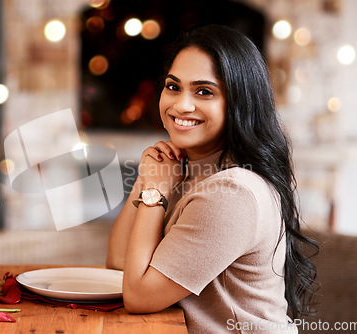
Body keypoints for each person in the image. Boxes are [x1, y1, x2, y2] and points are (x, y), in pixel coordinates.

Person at [106, 24, 318, 333]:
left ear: (238, 103)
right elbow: (119, 263)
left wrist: (154, 189)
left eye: (204, 91)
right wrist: (148, 178)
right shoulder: (189, 168)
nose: (181, 105)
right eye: (173, 86)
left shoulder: (231, 193)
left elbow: (138, 296)